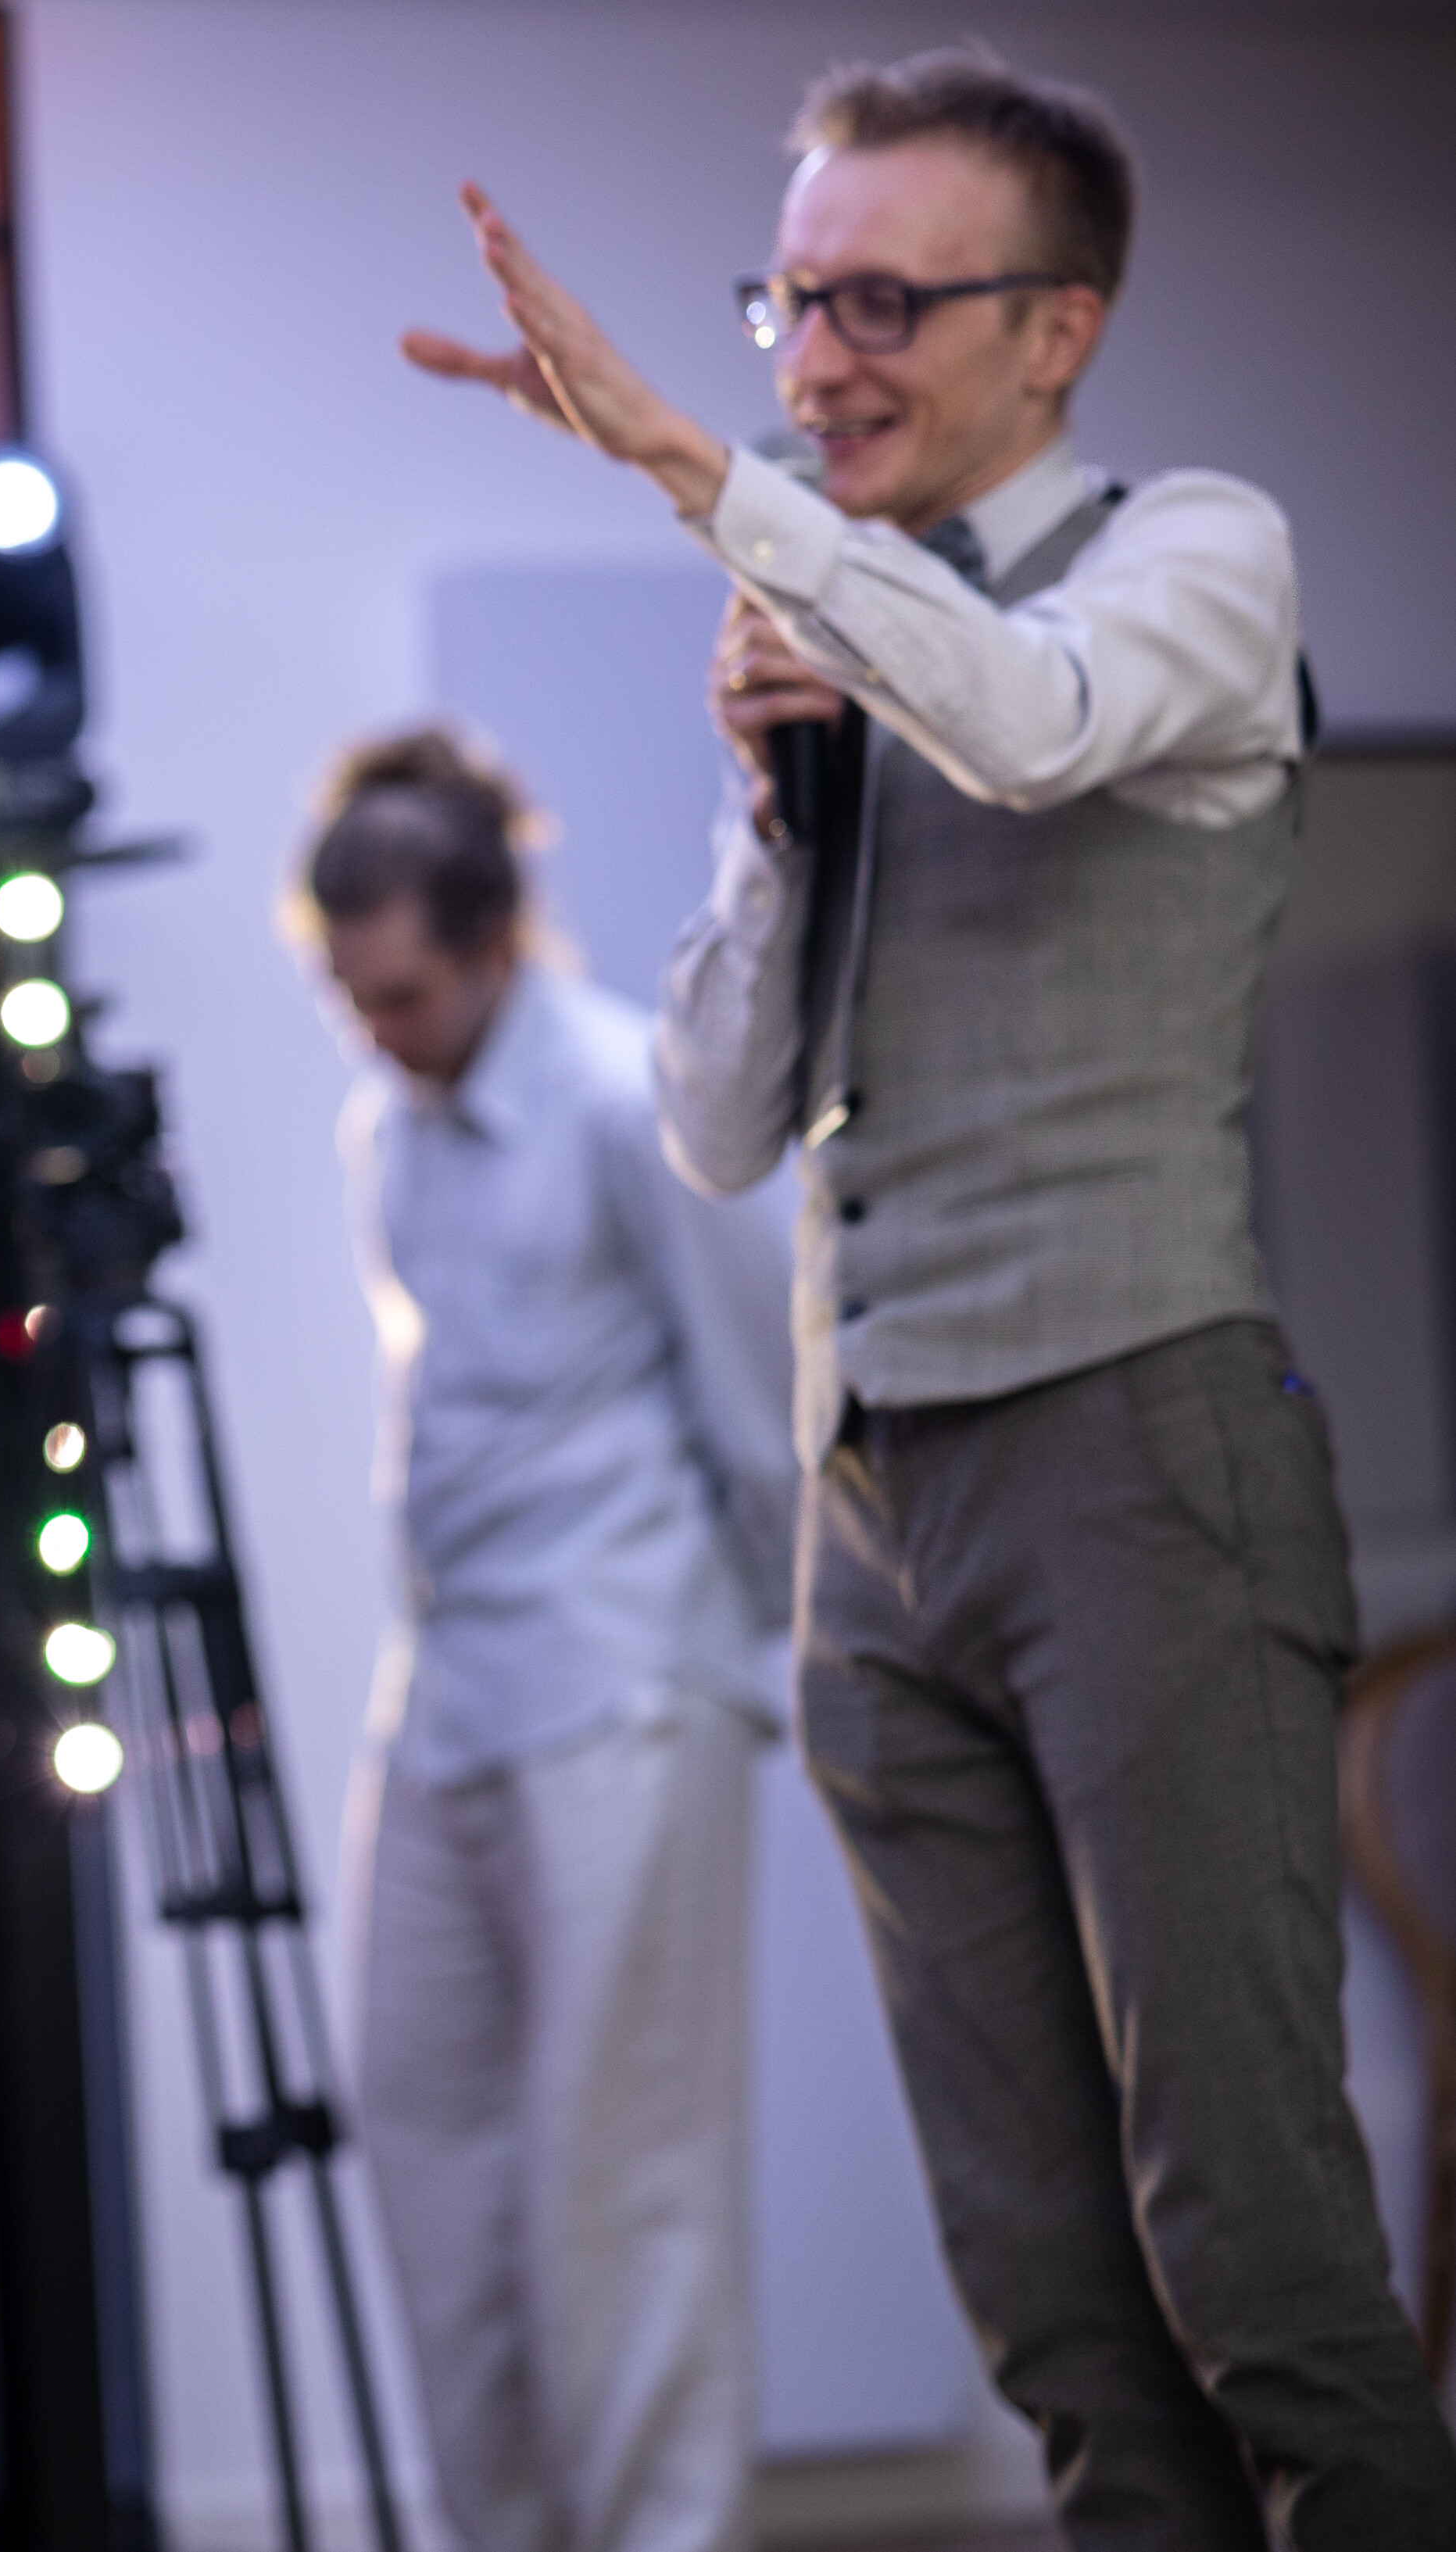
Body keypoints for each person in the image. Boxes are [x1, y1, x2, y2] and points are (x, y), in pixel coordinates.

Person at [405, 45, 1456, 2544]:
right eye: (787, 300)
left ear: (1056, 327)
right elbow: (713, 1121)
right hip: (871, 1526)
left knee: (1255, 2260)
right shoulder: (829, 628)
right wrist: (773, 815)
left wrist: (692, 468)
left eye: (882, 301)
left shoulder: (1187, 554)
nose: (814, 356)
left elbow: (1032, 718)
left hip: (1139, 1462)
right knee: (1052, 2305)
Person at [299, 729, 793, 2552]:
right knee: (428, 2148)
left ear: (496, 942)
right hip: (445, 1704)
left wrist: (753, 1656)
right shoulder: (385, 1127)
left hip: (625, 1686)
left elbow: (764, 1411)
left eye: (403, 996)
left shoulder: (618, 1095)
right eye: (350, 1000)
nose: (377, 1034)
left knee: (626, 2177)